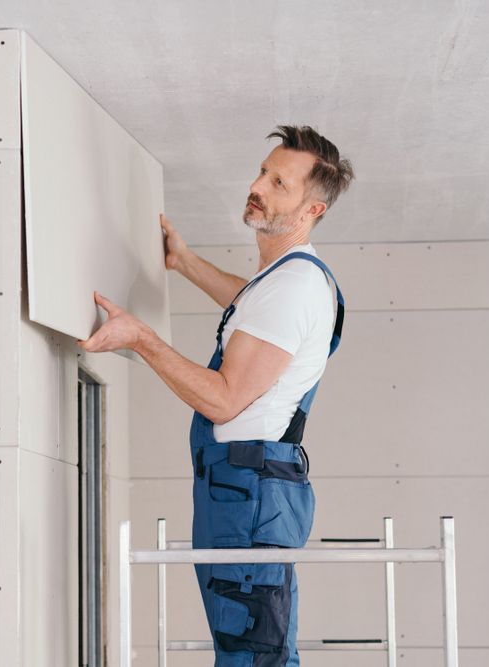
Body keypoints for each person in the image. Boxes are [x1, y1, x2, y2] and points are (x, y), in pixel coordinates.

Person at [78, 125, 354, 666]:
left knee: (252, 653)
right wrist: (183, 261)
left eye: (279, 183)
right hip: (246, 486)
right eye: (263, 172)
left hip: (248, 492)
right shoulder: (286, 279)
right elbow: (250, 306)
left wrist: (141, 338)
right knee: (250, 646)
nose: (258, 186)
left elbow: (224, 400)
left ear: (312, 209)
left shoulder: (292, 287)